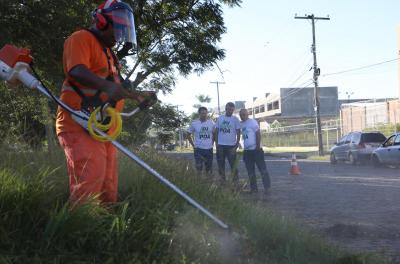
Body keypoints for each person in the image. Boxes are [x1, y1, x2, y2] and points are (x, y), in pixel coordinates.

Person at [56, 0, 154, 204]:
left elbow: (114, 87)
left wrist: (138, 96)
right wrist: (109, 88)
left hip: (101, 127)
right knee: (90, 181)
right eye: (117, 29)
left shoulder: (109, 54)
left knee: (108, 185)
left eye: (122, 31)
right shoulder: (81, 38)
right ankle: (80, 229)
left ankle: (104, 228)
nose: (118, 36)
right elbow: (77, 71)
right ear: (101, 22)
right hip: (78, 122)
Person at [239, 108, 271, 193]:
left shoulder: (252, 122)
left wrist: (257, 147)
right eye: (241, 115)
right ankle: (254, 189)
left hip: (256, 150)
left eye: (244, 114)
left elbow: (258, 134)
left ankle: (267, 188)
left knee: (262, 169)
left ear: (247, 114)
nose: (242, 116)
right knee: (250, 171)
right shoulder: (241, 124)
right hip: (247, 151)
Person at [214, 102, 241, 185]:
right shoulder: (220, 118)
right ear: (225, 109)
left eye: (232, 110)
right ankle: (222, 182)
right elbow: (216, 131)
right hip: (221, 146)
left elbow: (238, 132)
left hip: (231, 146)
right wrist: (217, 143)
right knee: (221, 165)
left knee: (233, 166)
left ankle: (235, 183)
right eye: (229, 109)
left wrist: (237, 144)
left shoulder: (235, 119)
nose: (230, 111)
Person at [188, 107, 215, 175]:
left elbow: (215, 134)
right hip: (198, 149)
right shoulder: (194, 123)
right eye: (202, 113)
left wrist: (212, 142)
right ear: (199, 114)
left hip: (209, 149)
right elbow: (188, 135)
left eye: (206, 113)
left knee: (209, 169)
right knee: (199, 168)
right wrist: (193, 145)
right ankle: (199, 183)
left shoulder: (211, 123)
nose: (204, 115)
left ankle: (208, 183)